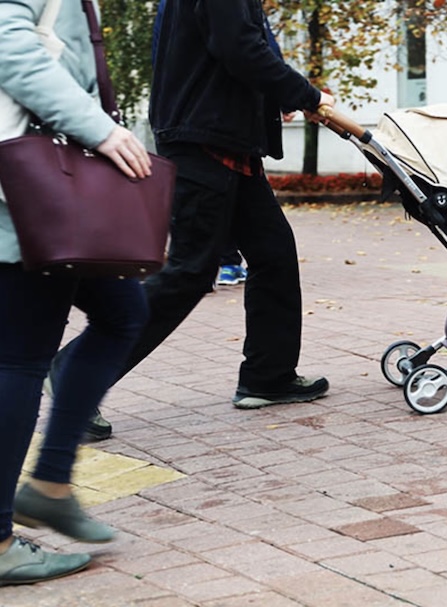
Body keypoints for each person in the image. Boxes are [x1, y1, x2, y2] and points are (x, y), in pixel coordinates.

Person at [55, 0, 337, 431]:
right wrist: (304, 93)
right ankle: (78, 369)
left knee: (274, 253)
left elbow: (243, 41)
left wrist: (275, 94)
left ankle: (269, 375)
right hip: (206, 140)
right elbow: (239, 46)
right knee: (191, 269)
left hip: (223, 137)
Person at [0, 0, 154, 584]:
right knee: (18, 358)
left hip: (55, 194)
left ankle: (51, 483)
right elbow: (9, 49)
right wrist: (100, 129)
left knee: (122, 313)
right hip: (25, 192)